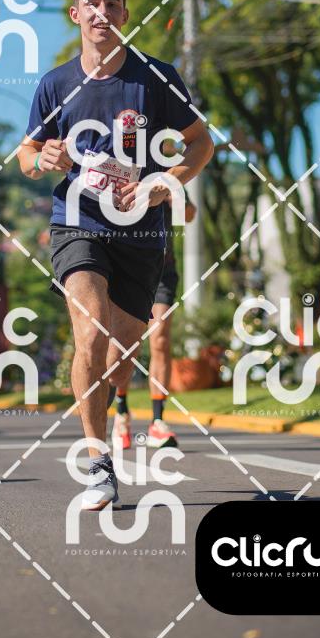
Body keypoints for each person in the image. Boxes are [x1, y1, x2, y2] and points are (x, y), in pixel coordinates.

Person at [18, 0, 213, 511]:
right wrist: (43, 158)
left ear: (125, 14)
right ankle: (98, 463)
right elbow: (27, 154)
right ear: (75, 14)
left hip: (143, 232)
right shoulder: (56, 84)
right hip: (78, 222)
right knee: (90, 331)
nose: (101, 11)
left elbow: (201, 143)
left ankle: (110, 406)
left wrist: (167, 183)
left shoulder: (157, 77)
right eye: (91, 3)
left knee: (122, 354)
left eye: (112, 3)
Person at [112, 192, 196, 450]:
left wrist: (175, 197)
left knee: (160, 339)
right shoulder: (124, 170)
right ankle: (121, 411)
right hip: (126, 268)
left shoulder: (167, 175)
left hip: (162, 270)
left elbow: (189, 215)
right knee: (126, 343)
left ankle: (157, 421)